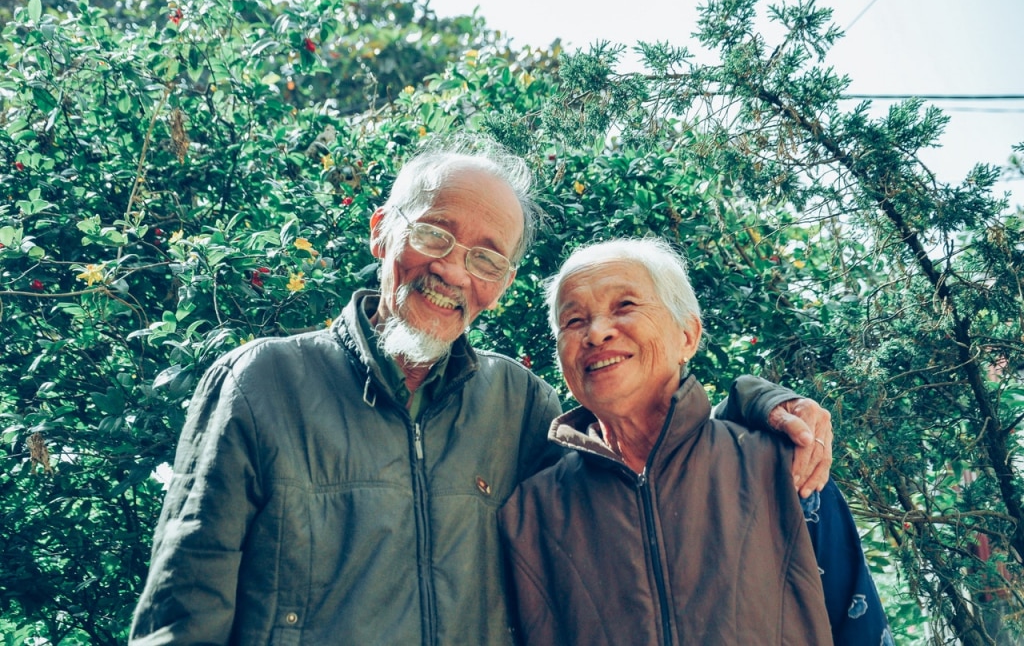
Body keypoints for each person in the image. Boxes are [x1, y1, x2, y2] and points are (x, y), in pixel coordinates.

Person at [129, 134, 835, 645]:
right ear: (382, 233)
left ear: (501, 283)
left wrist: (758, 404)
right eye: (434, 234)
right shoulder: (263, 383)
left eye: (486, 257)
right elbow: (180, 617)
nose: (453, 272)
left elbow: (639, 464)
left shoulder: (520, 403)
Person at [498, 237, 892, 646]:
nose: (596, 333)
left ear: (687, 336)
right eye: (574, 321)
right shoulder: (531, 512)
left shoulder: (783, 466)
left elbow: (859, 625)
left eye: (625, 306)